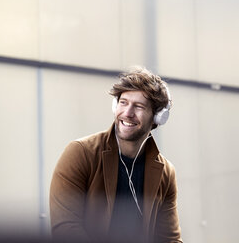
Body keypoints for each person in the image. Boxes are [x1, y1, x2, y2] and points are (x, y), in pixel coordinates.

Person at [49, 66, 182, 243]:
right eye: (123, 102)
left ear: (158, 117)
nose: (127, 113)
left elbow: (169, 238)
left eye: (139, 106)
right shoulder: (80, 153)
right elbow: (65, 228)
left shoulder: (166, 172)